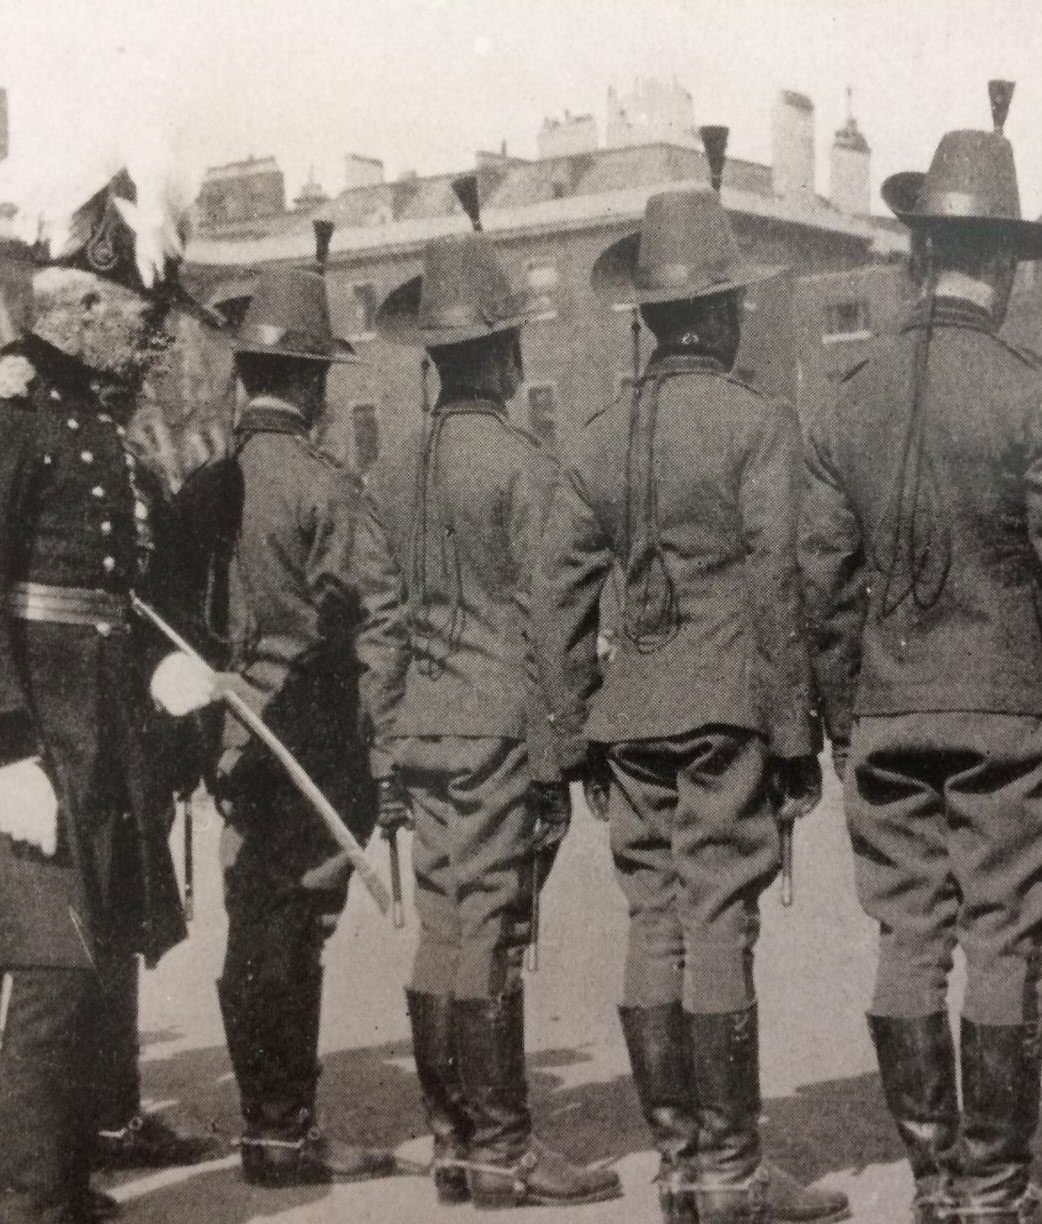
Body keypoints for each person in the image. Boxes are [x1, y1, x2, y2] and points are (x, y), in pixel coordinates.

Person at [800, 89, 1042, 1224]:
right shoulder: (1037, 395)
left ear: (923, 253)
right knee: (1002, 939)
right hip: (1010, 714)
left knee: (909, 936)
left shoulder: (845, 403)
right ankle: (993, 1188)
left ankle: (934, 1180)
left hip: (886, 715)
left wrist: (848, 723)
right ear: (1007, 265)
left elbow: (822, 586)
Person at [537, 180, 846, 1224]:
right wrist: (795, 736)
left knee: (652, 919)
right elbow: (778, 584)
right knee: (719, 921)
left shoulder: (588, 439)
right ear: (718, 313)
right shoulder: (760, 424)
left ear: (646, 317)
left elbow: (558, 601)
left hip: (629, 716)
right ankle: (732, 1172)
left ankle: (679, 1165)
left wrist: (579, 727)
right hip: (726, 709)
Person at [0, 165, 195, 1224]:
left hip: (90, 728)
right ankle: (25, 1204)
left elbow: (102, 587)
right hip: (28, 738)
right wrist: (0, 750)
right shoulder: (3, 414)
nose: (148, 340)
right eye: (136, 317)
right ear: (82, 306)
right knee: (49, 974)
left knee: (82, 969)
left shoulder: (86, 412)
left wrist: (157, 663)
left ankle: (58, 1184)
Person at [357, 200, 622, 1211]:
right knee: (496, 932)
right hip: (502, 731)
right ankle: (505, 1149)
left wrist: (386, 747)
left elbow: (376, 629)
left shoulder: (385, 474)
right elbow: (556, 628)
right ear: (506, 357)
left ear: (434, 362)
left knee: (443, 927)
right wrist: (562, 755)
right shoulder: (524, 467)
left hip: (420, 735)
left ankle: (454, 1143)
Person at [151, 263, 399, 1187]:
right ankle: (286, 1134)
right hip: (310, 733)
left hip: (227, 734)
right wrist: (387, 748)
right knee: (293, 926)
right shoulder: (321, 486)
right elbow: (378, 622)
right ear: (311, 383)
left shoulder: (207, 485)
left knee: (255, 919)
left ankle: (270, 1124)